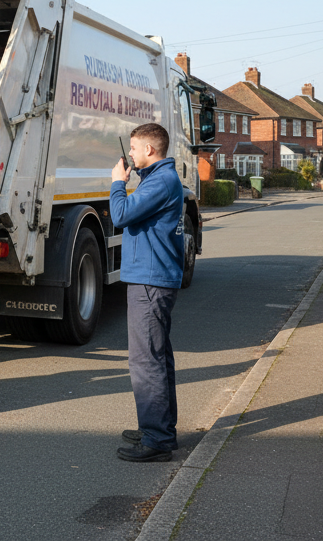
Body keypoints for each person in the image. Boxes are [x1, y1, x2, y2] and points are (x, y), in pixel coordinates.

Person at [110, 122, 186, 463]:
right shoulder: (158, 179)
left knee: (146, 360)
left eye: (134, 148)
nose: (130, 154)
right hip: (153, 279)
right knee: (158, 357)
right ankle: (160, 428)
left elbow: (120, 214)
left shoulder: (160, 182)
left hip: (150, 282)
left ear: (150, 151)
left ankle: (156, 438)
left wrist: (116, 183)